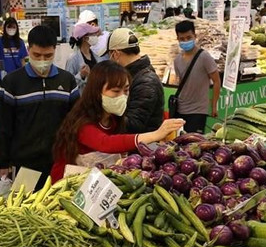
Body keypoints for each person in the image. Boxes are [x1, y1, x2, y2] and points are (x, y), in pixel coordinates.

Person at [50, 61, 184, 181]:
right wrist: (155, 135)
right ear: (96, 92)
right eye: (115, 91)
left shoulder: (113, 119)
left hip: (93, 183)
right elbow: (106, 143)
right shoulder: (82, 122)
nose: (122, 97)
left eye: (126, 90)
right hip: (65, 183)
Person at [0, 25, 79, 187]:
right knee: (26, 207)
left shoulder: (67, 81)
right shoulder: (13, 83)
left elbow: (76, 121)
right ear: (28, 50)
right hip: (25, 163)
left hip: (59, 162)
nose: (42, 61)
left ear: (55, 50)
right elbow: (3, 124)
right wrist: (2, 162)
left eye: (48, 56)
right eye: (37, 55)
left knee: (58, 206)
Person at [103, 28, 164, 133]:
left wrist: (105, 114)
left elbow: (135, 124)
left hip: (143, 146)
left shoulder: (146, 82)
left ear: (116, 54)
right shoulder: (133, 75)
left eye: (110, 55)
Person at [173, 20, 220, 134]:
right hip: (180, 109)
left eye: (188, 37)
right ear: (178, 39)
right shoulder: (177, 60)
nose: (185, 41)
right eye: (182, 39)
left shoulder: (204, 57)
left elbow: (217, 81)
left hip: (198, 110)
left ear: (195, 36)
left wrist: (214, 106)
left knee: (194, 145)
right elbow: (181, 82)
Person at [64, 22, 101, 93]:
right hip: (81, 99)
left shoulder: (95, 56)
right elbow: (67, 84)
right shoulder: (73, 59)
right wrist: (81, 75)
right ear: (85, 38)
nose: (95, 36)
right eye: (92, 34)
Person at [0, 18, 28, 83]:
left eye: (13, 27)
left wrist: (25, 76)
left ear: (17, 28)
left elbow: (22, 60)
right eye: (9, 27)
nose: (11, 29)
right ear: (5, 27)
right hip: (2, 76)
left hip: (17, 76)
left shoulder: (20, 42)